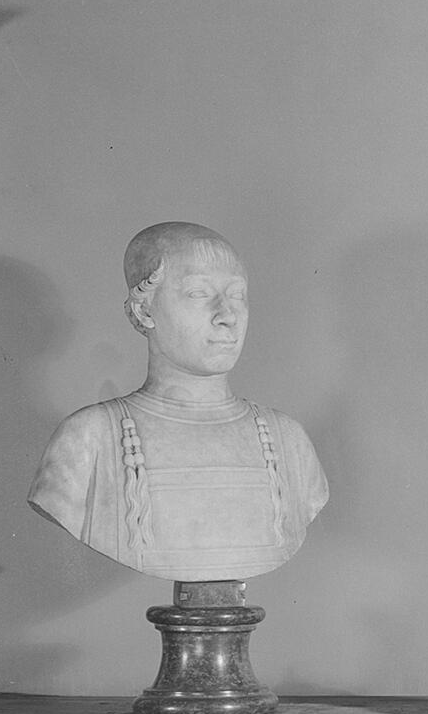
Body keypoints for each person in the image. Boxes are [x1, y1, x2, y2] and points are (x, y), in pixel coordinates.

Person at [29, 223, 326, 583]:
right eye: (199, 293)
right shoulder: (89, 438)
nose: (227, 316)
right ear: (144, 311)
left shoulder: (287, 440)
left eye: (238, 295)